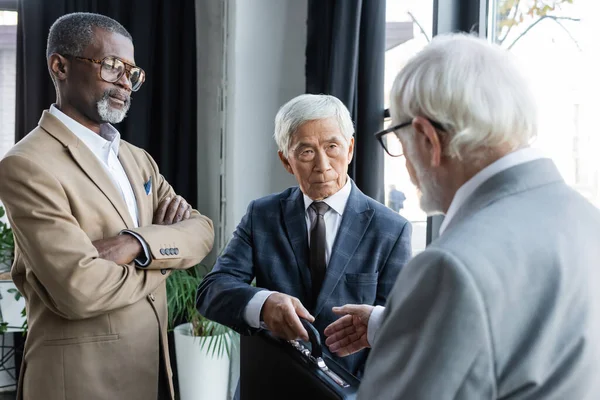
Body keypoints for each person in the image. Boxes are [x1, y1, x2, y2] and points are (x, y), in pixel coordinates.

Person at [324, 33, 600, 399]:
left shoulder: (451, 267)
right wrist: (387, 324)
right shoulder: (586, 220)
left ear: (426, 138)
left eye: (397, 138)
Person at [0, 13, 214, 400]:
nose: (125, 83)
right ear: (60, 66)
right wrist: (166, 255)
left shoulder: (137, 159)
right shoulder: (26, 165)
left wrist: (137, 244)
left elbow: (202, 232)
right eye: (112, 66)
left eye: (132, 72)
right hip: (80, 384)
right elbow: (79, 289)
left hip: (151, 374)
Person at [196, 94, 412, 377]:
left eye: (332, 147)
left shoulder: (391, 229)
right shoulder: (263, 215)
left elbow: (401, 330)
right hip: (272, 385)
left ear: (349, 149)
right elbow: (211, 291)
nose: (322, 165)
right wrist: (264, 305)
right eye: (307, 152)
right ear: (286, 161)